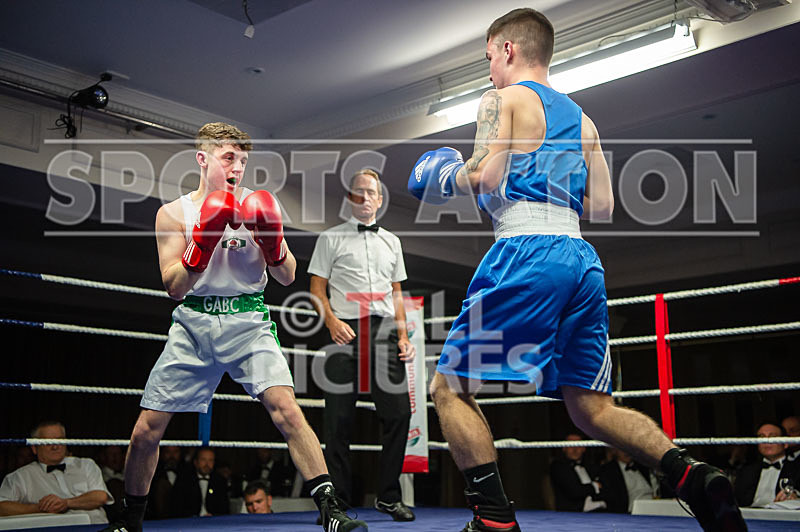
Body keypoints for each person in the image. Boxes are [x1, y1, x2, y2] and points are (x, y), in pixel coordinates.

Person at [407, 8, 747, 532]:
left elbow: (485, 175)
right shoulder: (584, 120)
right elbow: (603, 206)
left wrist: (446, 173)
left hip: (526, 251)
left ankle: (493, 519)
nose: (489, 69)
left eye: (489, 56)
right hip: (581, 259)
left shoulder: (501, 99)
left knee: (449, 387)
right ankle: (691, 474)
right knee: (591, 407)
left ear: (507, 49)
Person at [100, 122, 366, 532]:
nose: (237, 168)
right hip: (194, 322)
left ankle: (330, 509)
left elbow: (287, 276)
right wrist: (201, 245)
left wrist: (272, 244)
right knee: (146, 430)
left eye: (242, 161)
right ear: (202, 158)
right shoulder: (173, 213)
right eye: (228, 158)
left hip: (248, 321)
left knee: (288, 411)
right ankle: (130, 519)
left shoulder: (260, 205)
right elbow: (173, 287)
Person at [308, 168, 415, 522]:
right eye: (359, 191)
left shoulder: (393, 242)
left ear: (380, 200)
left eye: (371, 192)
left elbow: (397, 293)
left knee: (399, 414)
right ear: (350, 197)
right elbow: (317, 288)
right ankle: (336, 502)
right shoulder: (330, 238)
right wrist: (331, 321)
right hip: (344, 331)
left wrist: (403, 335)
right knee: (337, 419)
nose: (365, 197)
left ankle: (388, 496)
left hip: (385, 332)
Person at [0, 421, 112, 524]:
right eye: (48, 442)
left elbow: (100, 497)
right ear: (34, 448)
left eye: (60, 440)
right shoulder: (21, 476)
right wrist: (40, 508)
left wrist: (66, 503)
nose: (55, 447)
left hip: (96, 527)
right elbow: (2, 507)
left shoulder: (86, 465)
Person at [734, 422, 800, 507]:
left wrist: (795, 497)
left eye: (772, 437)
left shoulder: (797, 469)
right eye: (762, 437)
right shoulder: (746, 471)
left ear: (785, 443)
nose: (767, 441)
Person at [549, 434, 605, 512]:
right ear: (564, 448)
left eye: (578, 445)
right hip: (572, 514)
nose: (575, 449)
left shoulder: (591, 466)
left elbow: (606, 488)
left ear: (584, 448)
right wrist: (595, 486)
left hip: (599, 511)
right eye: (571, 445)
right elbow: (575, 492)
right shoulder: (558, 466)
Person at [597, 448, 661, 513]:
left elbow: (657, 488)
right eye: (622, 448)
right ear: (615, 450)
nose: (626, 452)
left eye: (628, 447)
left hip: (655, 508)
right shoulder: (608, 471)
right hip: (630, 513)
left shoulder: (643, 466)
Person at [169, 447, 228, 517]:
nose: (207, 464)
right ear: (195, 462)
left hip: (213, 521)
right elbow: (176, 507)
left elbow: (224, 508)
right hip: (189, 521)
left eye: (210, 460)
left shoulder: (220, 481)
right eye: (203, 460)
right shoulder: (184, 480)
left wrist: (213, 516)